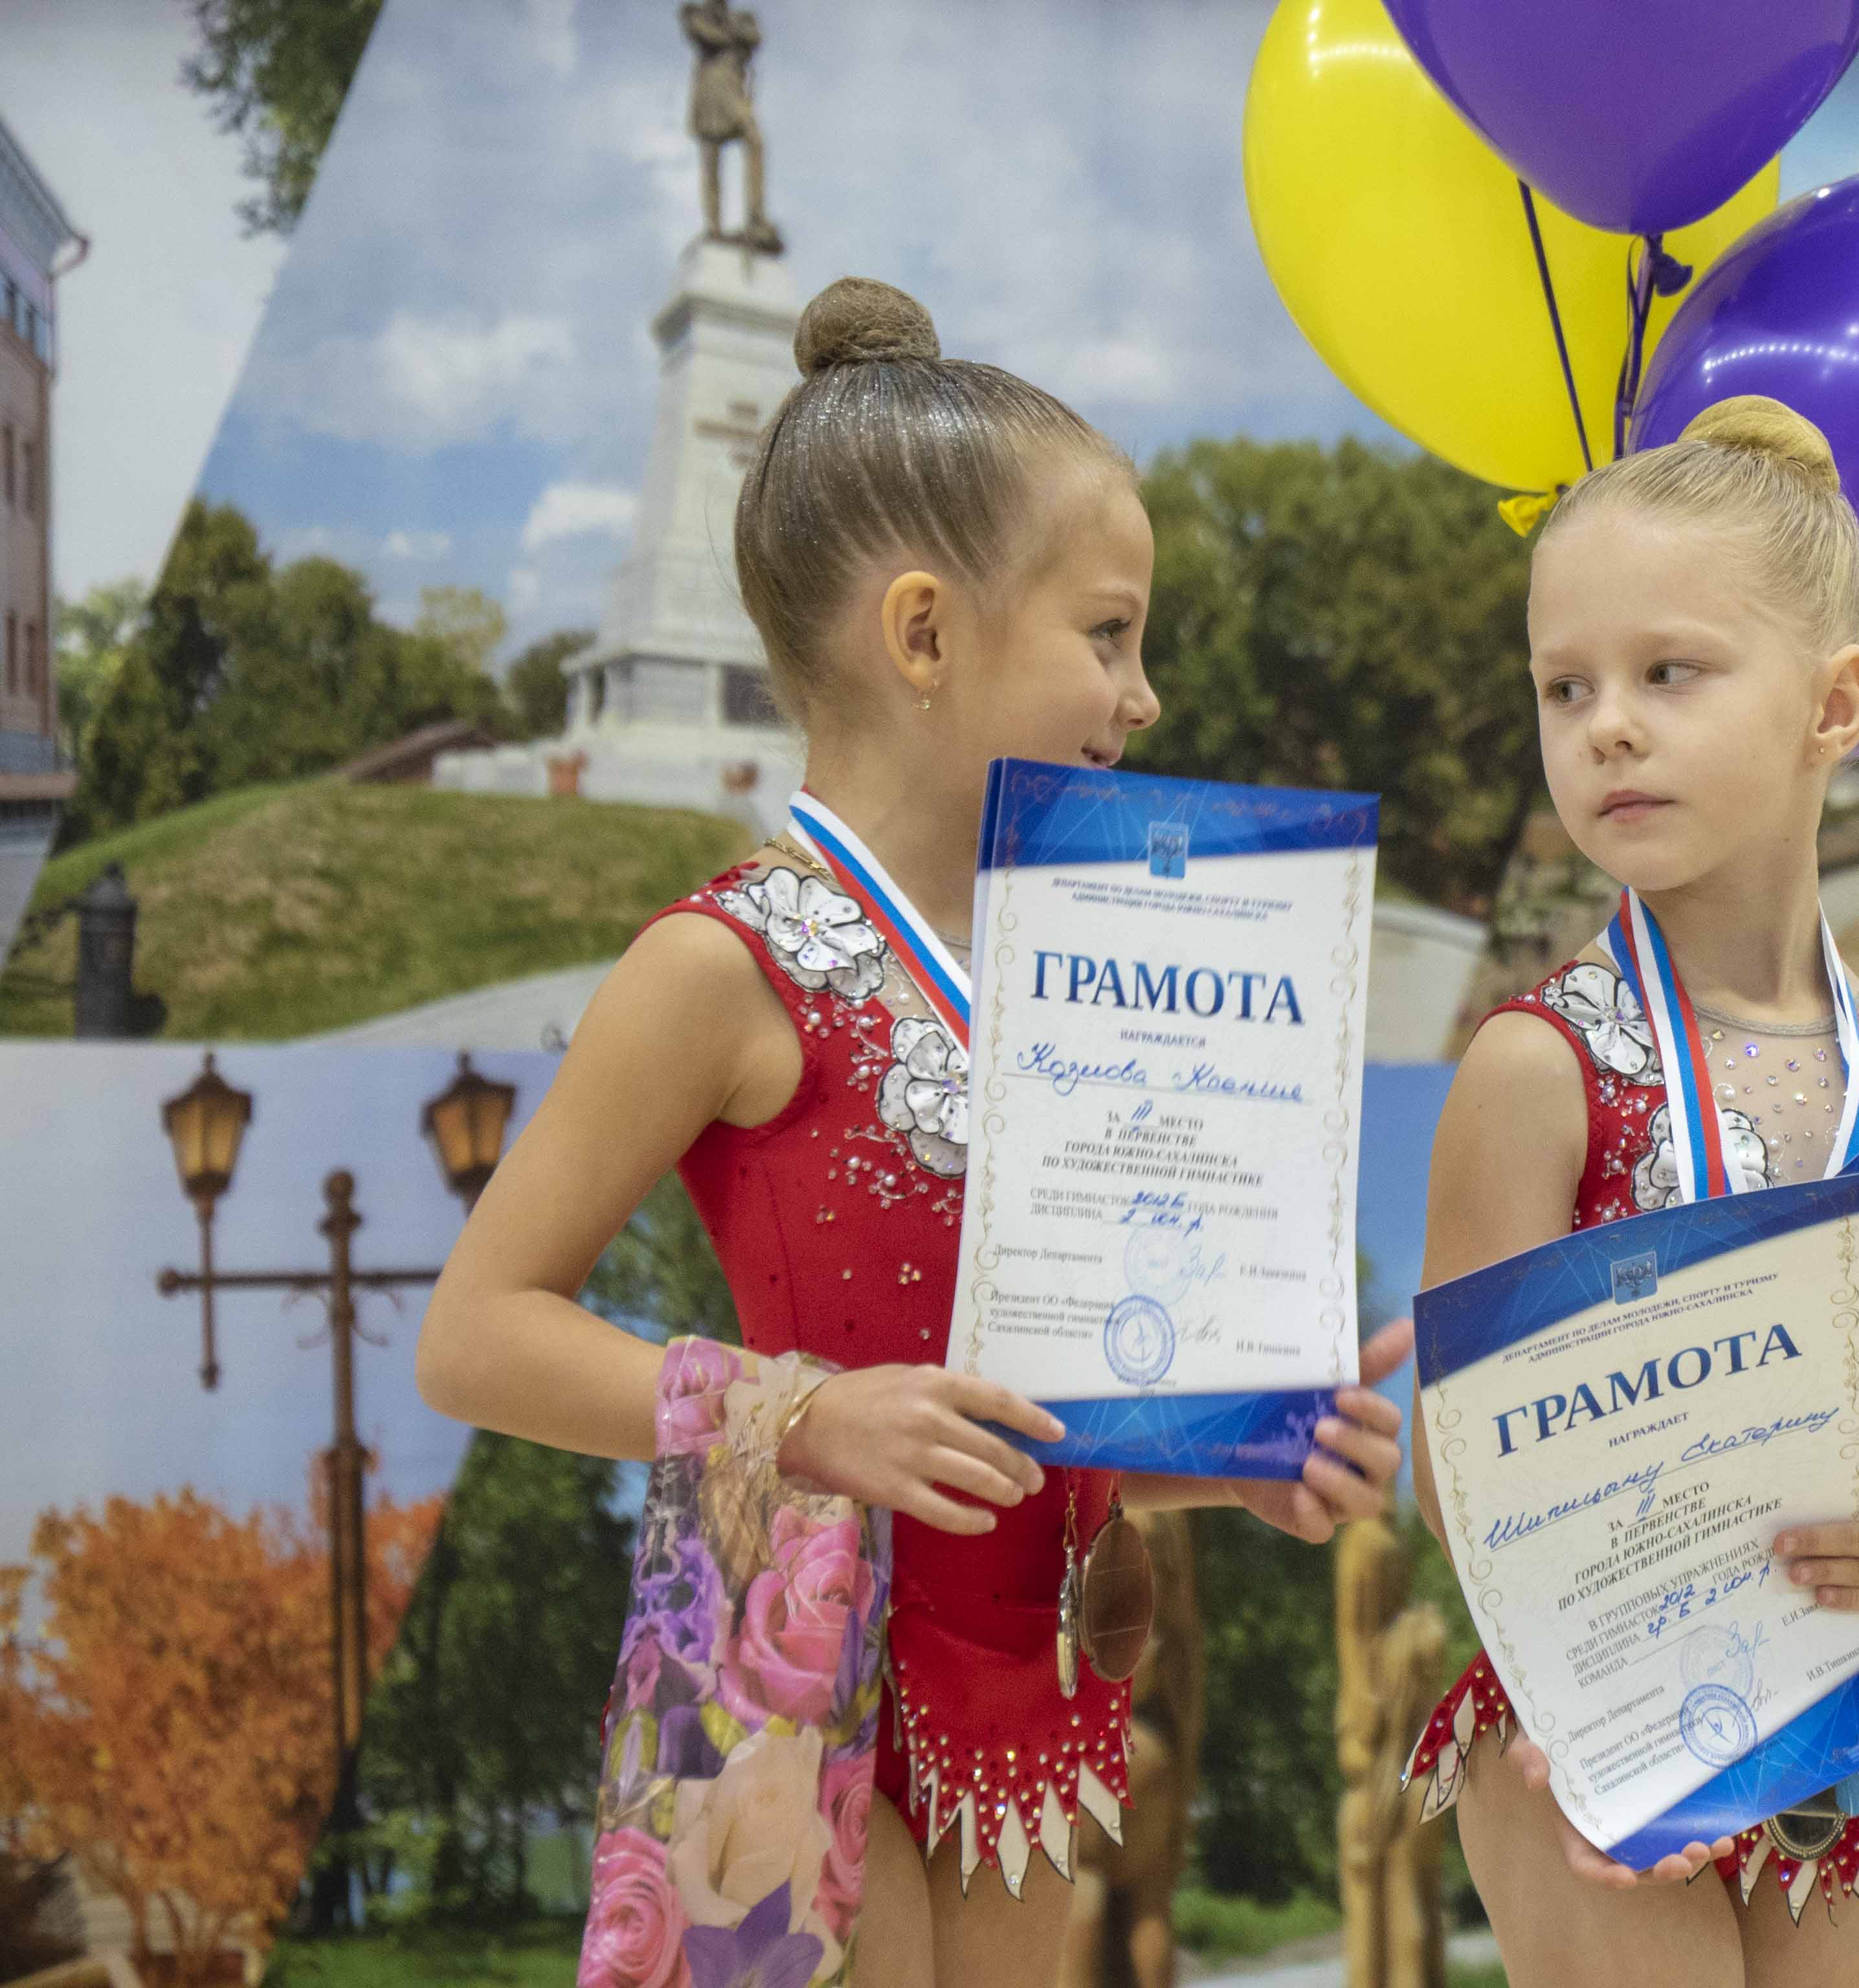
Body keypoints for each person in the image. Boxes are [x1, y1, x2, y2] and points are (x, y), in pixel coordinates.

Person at [416, 276, 1407, 1988]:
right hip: (809, 1679)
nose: (1148, 693)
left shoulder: (1075, 981)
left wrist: (1243, 1461)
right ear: (928, 634)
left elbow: (1005, 1416)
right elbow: (473, 1337)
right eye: (1110, 634)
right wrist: (798, 1411)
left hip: (1024, 1701)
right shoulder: (719, 964)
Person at [1404, 395, 1859, 1987]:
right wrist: (1605, 1708)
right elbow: (1464, 1473)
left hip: (1849, 1732)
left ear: (1834, 703)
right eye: (1564, 685)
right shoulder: (1536, 1070)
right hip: (1583, 1740)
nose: (1606, 724)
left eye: (1670, 672)